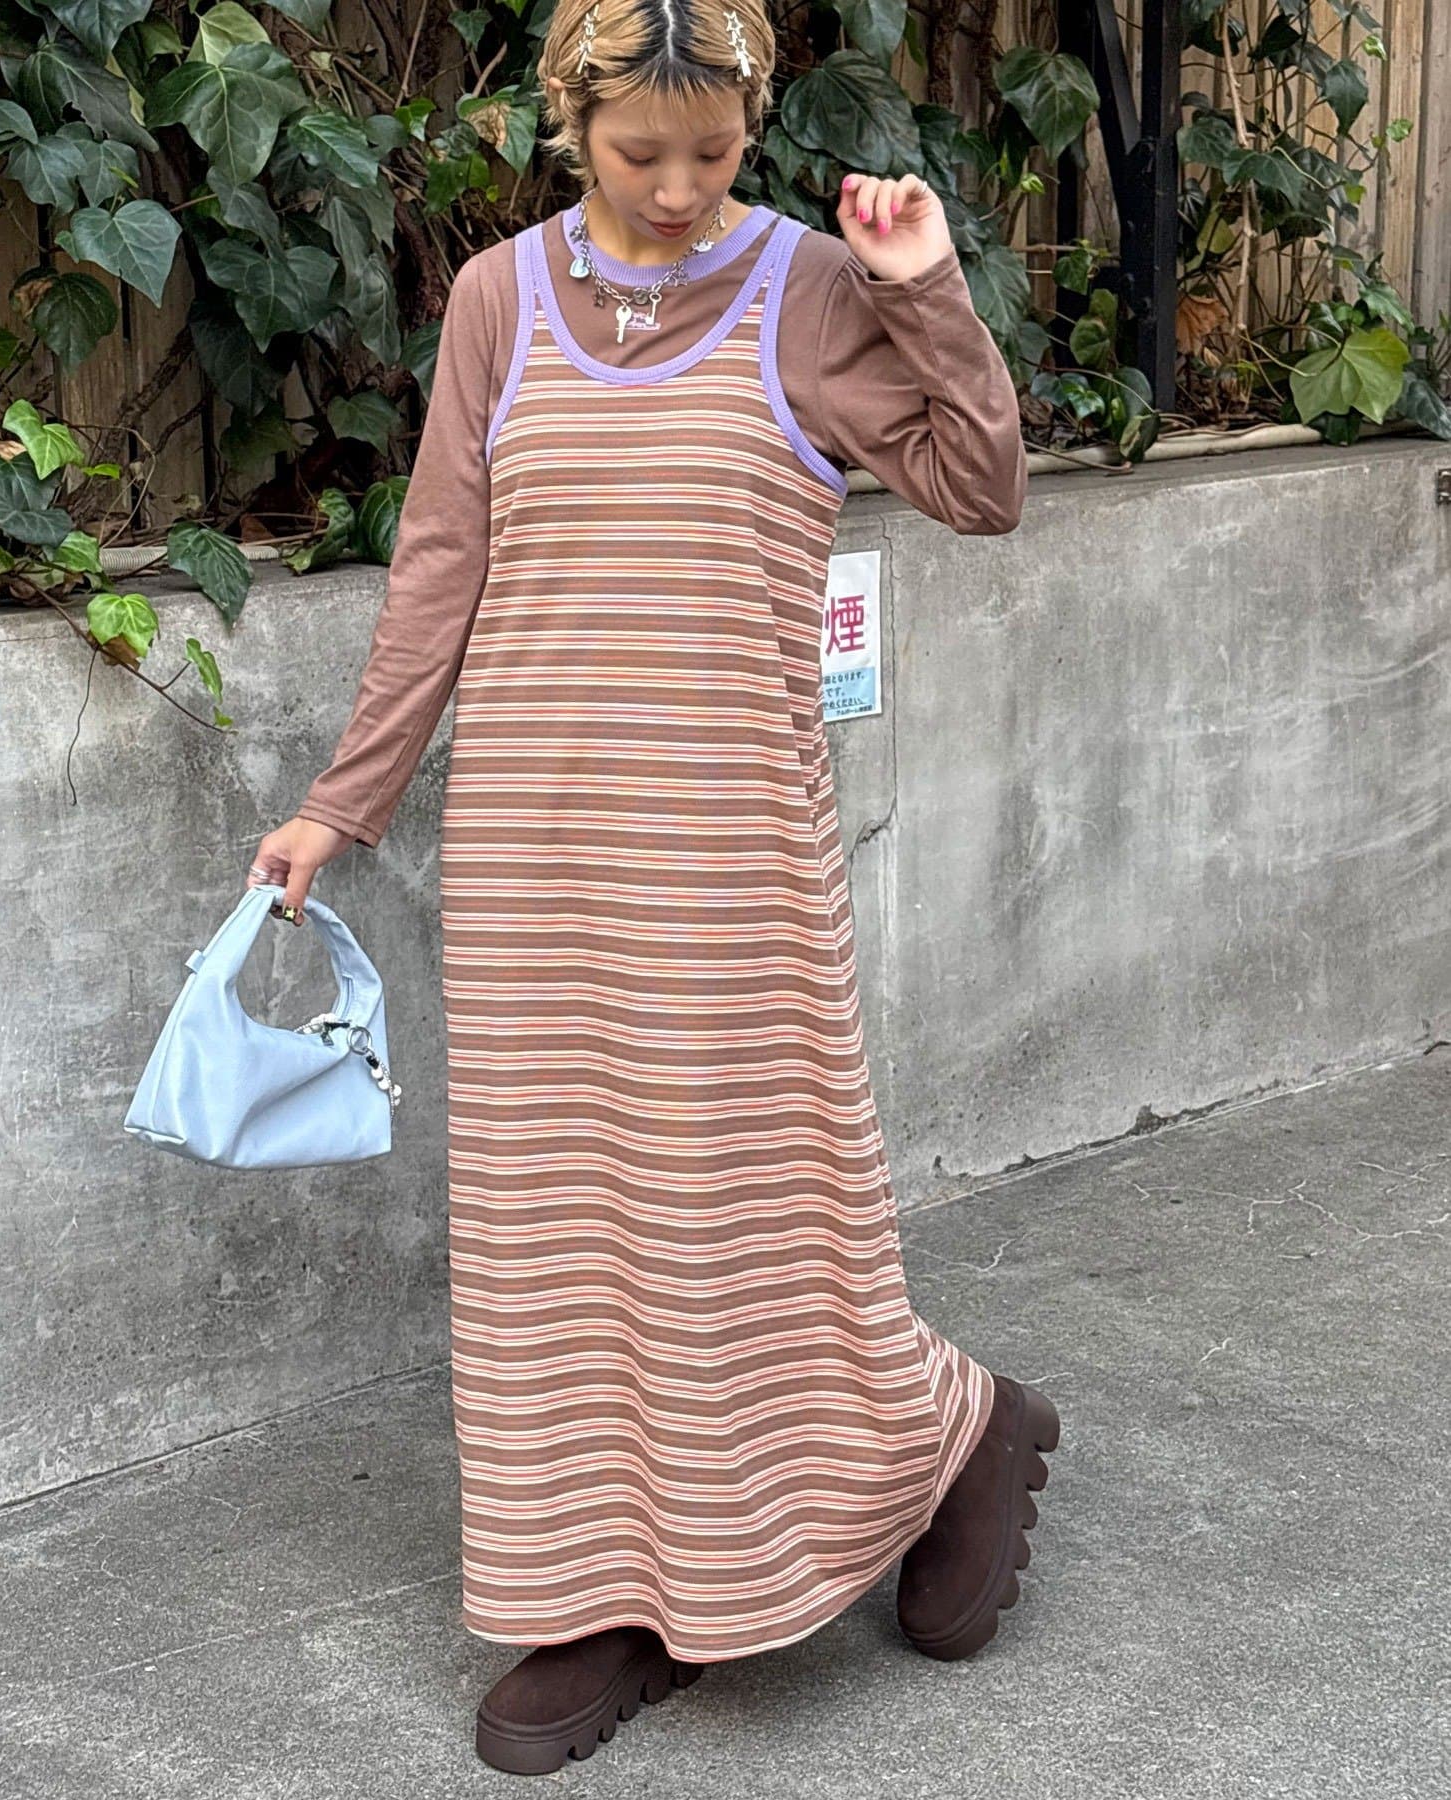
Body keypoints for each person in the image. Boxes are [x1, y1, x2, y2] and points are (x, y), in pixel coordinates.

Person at [246, 0, 1059, 1775]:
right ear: (573, 123)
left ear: (751, 123)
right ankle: (598, 1588)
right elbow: (441, 564)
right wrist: (341, 807)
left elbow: (984, 486)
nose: (681, 189)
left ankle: (950, 1430)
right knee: (554, 1231)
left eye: (713, 151)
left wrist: (924, 289)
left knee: (741, 1215)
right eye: (640, 154)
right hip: (533, 860)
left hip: (730, 855)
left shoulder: (809, 291)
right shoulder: (496, 303)